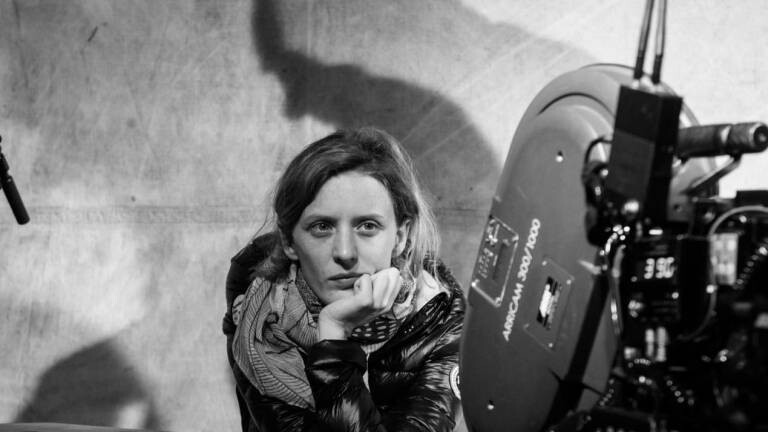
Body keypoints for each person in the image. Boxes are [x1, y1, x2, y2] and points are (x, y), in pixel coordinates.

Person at [222, 127, 465, 431]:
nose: (345, 253)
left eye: (367, 226)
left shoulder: (441, 322)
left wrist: (334, 337)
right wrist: (335, 335)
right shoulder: (258, 300)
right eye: (322, 227)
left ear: (400, 237)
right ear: (288, 241)